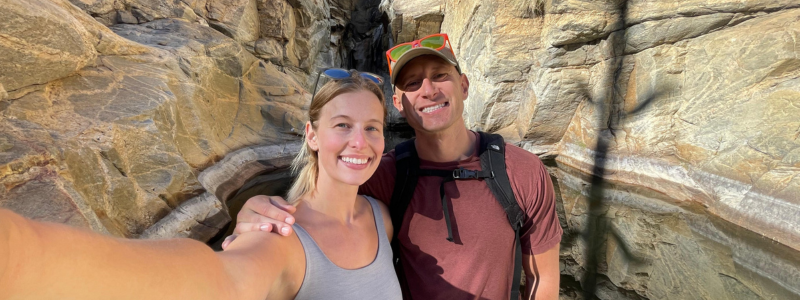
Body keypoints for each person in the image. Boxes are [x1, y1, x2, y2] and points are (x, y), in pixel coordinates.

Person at [0, 71, 401, 300]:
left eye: (372, 128)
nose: (359, 142)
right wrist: (23, 253)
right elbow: (224, 279)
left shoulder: (381, 218)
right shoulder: (280, 235)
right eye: (342, 125)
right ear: (312, 135)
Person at [226, 33, 563, 300]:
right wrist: (256, 209)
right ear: (399, 103)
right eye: (412, 83)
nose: (428, 90)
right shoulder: (384, 175)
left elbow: (542, 277)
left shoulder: (521, 171)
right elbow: (319, 202)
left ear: (463, 86)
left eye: (440, 75)